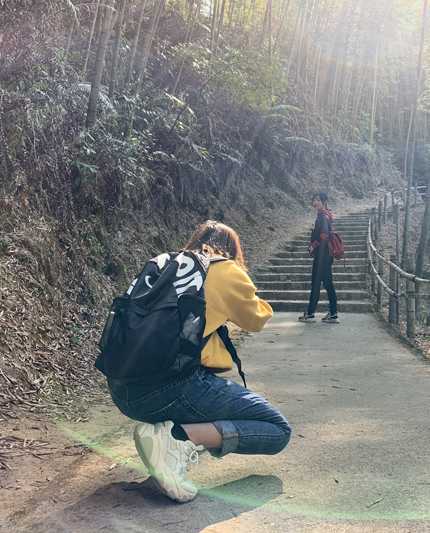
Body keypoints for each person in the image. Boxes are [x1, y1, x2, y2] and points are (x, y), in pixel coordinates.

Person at [106, 221, 291, 503]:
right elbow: (257, 319)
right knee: (278, 429)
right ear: (231, 250)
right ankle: (177, 439)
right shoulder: (226, 270)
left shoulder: (163, 264)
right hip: (169, 389)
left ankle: (164, 451)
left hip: (122, 390)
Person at [299, 192, 339, 323]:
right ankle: (333, 313)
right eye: (314, 200)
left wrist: (313, 246)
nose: (316, 202)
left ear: (324, 201)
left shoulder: (322, 216)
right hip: (326, 255)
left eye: (319, 200)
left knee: (315, 283)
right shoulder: (325, 216)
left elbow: (324, 236)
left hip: (322, 256)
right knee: (328, 284)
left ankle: (310, 314)